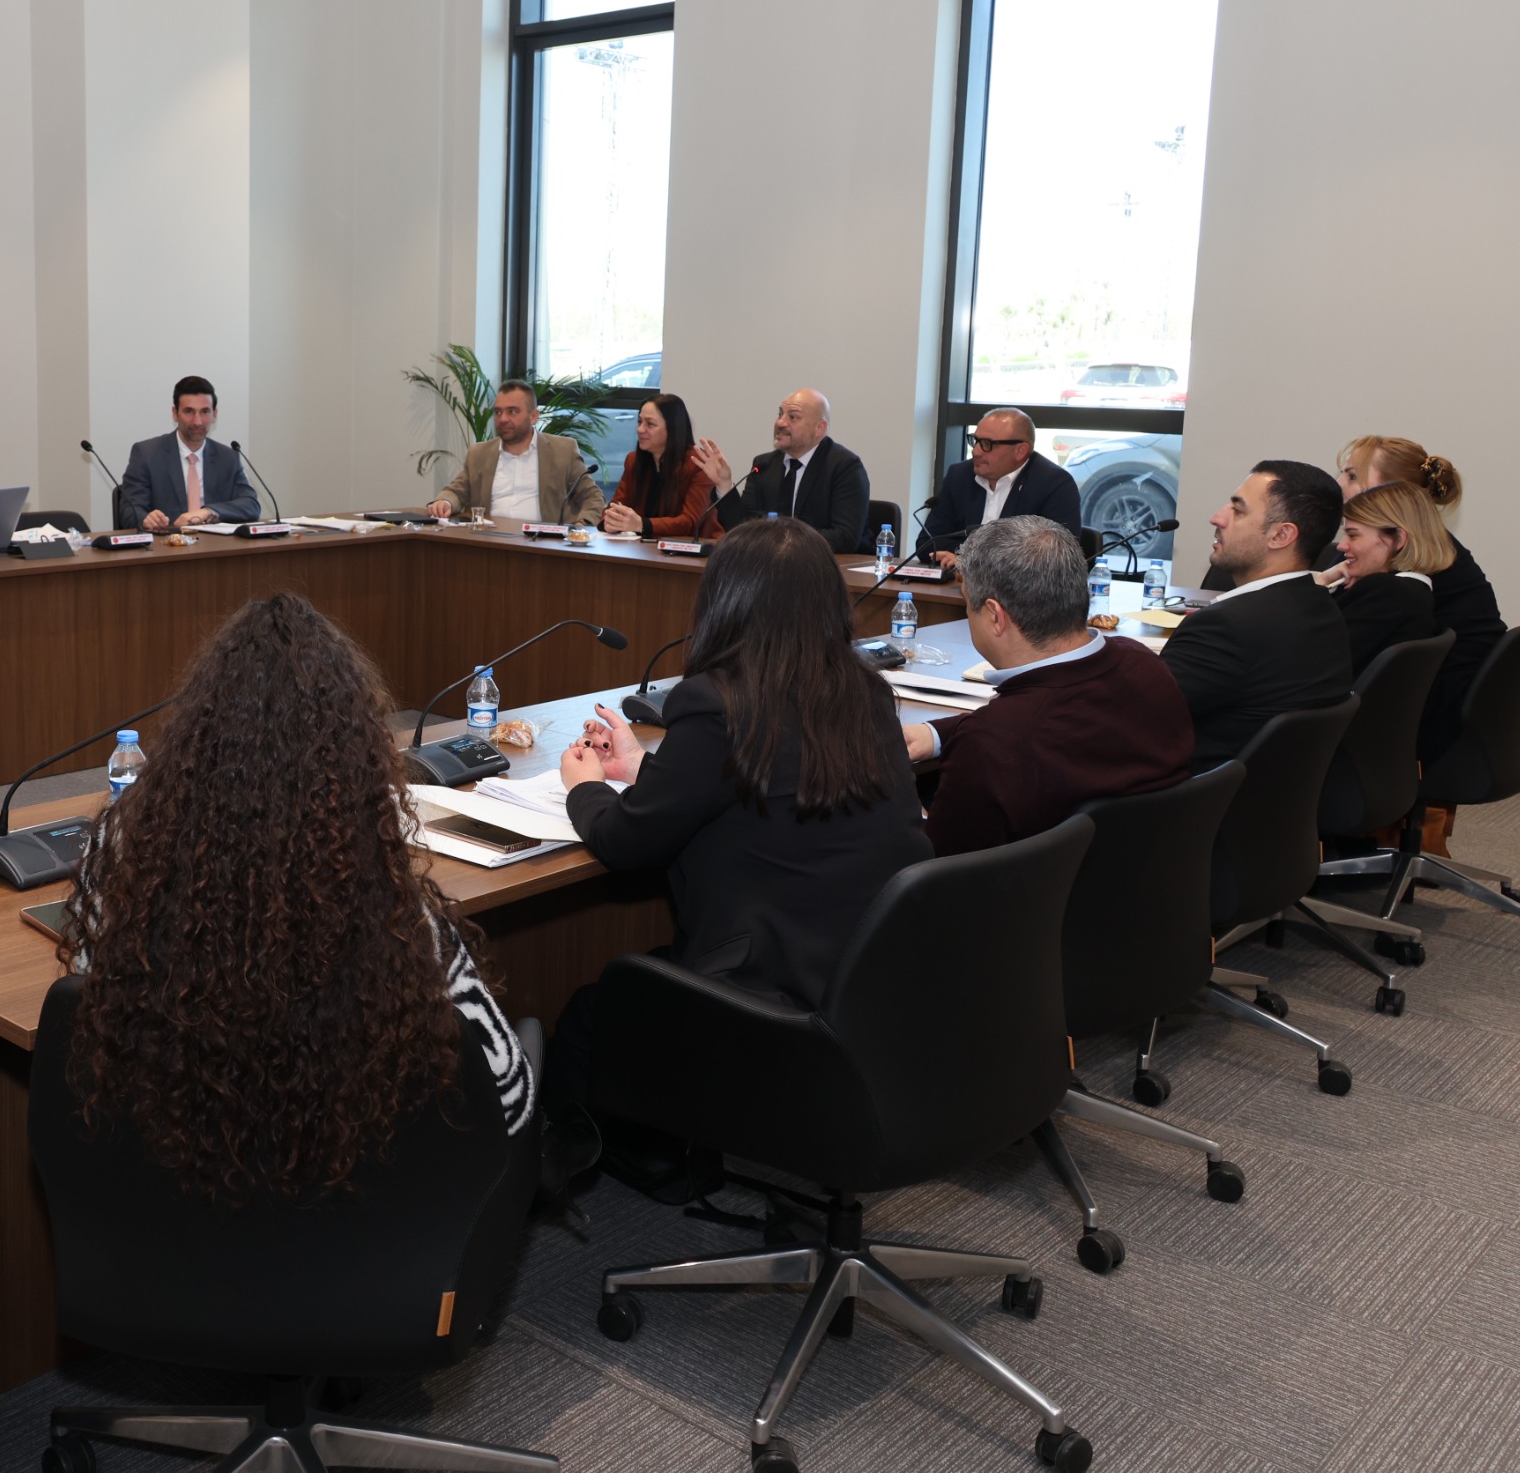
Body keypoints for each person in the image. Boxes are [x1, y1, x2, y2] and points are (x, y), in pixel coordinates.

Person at [55, 592, 531, 1204]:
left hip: (176, 1203)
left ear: (194, 737)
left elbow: (89, 1005)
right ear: (356, 757)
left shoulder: (122, 858)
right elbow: (509, 1101)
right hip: (359, 1222)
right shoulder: (387, 896)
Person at [551, 517, 930, 1108]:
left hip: (765, 994)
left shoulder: (717, 702)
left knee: (588, 1017)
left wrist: (584, 787)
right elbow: (763, 785)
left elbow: (625, 841)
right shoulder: (866, 693)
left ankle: (628, 1153)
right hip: (866, 981)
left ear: (724, 602)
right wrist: (643, 767)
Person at [901, 516, 1190, 856]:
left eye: (967, 603)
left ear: (995, 616)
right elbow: (1066, 715)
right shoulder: (1146, 666)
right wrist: (937, 734)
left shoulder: (994, 745)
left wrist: (900, 812)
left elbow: (939, 869)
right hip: (1144, 874)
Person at [1162, 460, 1353, 767]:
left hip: (1201, 789)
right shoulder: (1321, 608)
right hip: (1274, 787)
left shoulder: (1225, 627)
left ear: (1280, 535)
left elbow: (1135, 714)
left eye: (1238, 510)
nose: (1217, 517)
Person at [1335, 436, 1502, 761]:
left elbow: (1324, 651)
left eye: (1352, 475)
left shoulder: (1397, 588)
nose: (1340, 484)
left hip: (1435, 713)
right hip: (1444, 706)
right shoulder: (1428, 551)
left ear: (1395, 493)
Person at [691, 387, 872, 552]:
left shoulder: (844, 466)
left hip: (831, 569)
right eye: (780, 414)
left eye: (793, 417)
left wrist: (781, 541)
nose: (780, 422)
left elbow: (844, 537)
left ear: (819, 428)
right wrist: (724, 485)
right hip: (774, 568)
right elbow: (743, 528)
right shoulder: (764, 465)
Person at [1316, 480, 1451, 677]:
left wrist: (1319, 586)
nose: (1341, 546)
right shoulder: (1415, 591)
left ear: (1399, 539)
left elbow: (1311, 656)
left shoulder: (1387, 591)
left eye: (1353, 536)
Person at [426, 379, 603, 526]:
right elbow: (457, 491)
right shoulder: (479, 453)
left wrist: (581, 526)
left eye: (512, 411)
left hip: (544, 545)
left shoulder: (563, 450)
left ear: (533, 416)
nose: (503, 419)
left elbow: (592, 497)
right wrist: (445, 502)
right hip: (489, 542)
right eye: (498, 412)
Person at [919, 408, 1082, 566]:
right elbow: (926, 543)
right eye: (975, 441)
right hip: (956, 583)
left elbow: (1058, 558)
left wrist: (968, 560)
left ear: (1020, 451)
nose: (976, 452)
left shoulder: (1054, 484)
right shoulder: (960, 476)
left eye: (987, 444)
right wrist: (960, 557)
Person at [116, 375, 261, 532]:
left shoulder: (228, 457)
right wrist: (145, 519)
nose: (197, 421)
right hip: (167, 544)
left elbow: (251, 505)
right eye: (189, 412)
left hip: (216, 544)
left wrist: (208, 512)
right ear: (175, 413)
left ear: (215, 414)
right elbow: (128, 510)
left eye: (205, 411)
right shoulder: (146, 454)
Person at [600, 393, 716, 539]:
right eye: (639, 422)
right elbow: (616, 505)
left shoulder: (697, 463)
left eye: (650, 424)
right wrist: (610, 521)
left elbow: (691, 522)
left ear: (672, 428)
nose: (640, 429)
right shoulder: (633, 460)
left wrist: (642, 524)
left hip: (694, 548)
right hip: (643, 548)